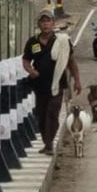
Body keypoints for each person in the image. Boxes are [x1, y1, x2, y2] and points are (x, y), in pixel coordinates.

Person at [22, 10, 82, 154]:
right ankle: (46, 142)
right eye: (43, 21)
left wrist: (77, 80)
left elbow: (71, 62)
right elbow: (25, 60)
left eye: (48, 21)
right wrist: (31, 71)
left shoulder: (61, 41)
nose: (46, 24)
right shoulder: (33, 42)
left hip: (57, 85)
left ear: (53, 23)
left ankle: (49, 144)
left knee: (52, 113)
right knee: (41, 116)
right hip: (40, 86)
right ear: (39, 24)